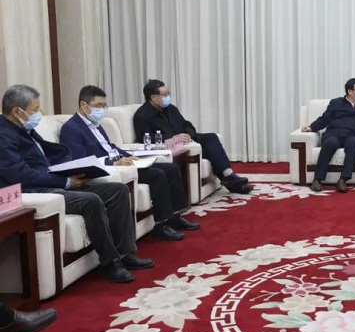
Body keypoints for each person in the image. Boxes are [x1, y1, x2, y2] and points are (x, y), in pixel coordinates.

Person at [0, 84, 153, 283]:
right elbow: (20, 174)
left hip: (51, 179)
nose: (38, 114)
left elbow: (47, 158)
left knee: (117, 190)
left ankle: (125, 253)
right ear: (16, 111)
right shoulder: (3, 136)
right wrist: (64, 181)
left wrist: (71, 169)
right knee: (91, 201)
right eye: (35, 109)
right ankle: (110, 263)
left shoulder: (23, 128)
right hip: (35, 190)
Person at [60, 85, 200, 242]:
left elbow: (110, 147)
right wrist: (114, 162)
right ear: (83, 105)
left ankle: (175, 216)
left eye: (104, 105)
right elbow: (81, 160)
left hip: (122, 162)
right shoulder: (71, 129)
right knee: (157, 174)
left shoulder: (95, 125)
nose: (102, 110)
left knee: (171, 169)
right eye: (98, 105)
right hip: (111, 169)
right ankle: (161, 225)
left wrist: (130, 155)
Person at [133, 79, 252, 194]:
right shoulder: (142, 115)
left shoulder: (170, 109)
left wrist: (189, 133)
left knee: (211, 138)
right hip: (171, 144)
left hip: (187, 139)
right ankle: (232, 181)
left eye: (168, 94)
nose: (168, 97)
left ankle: (228, 175)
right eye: (165, 95)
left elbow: (187, 124)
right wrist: (175, 137)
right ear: (153, 97)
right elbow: (144, 138)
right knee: (208, 149)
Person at [302, 78, 355, 193]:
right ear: (350, 91)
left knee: (354, 144)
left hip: (352, 135)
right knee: (330, 143)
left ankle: (343, 180)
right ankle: (317, 179)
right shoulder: (336, 103)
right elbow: (324, 119)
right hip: (333, 133)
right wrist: (311, 127)